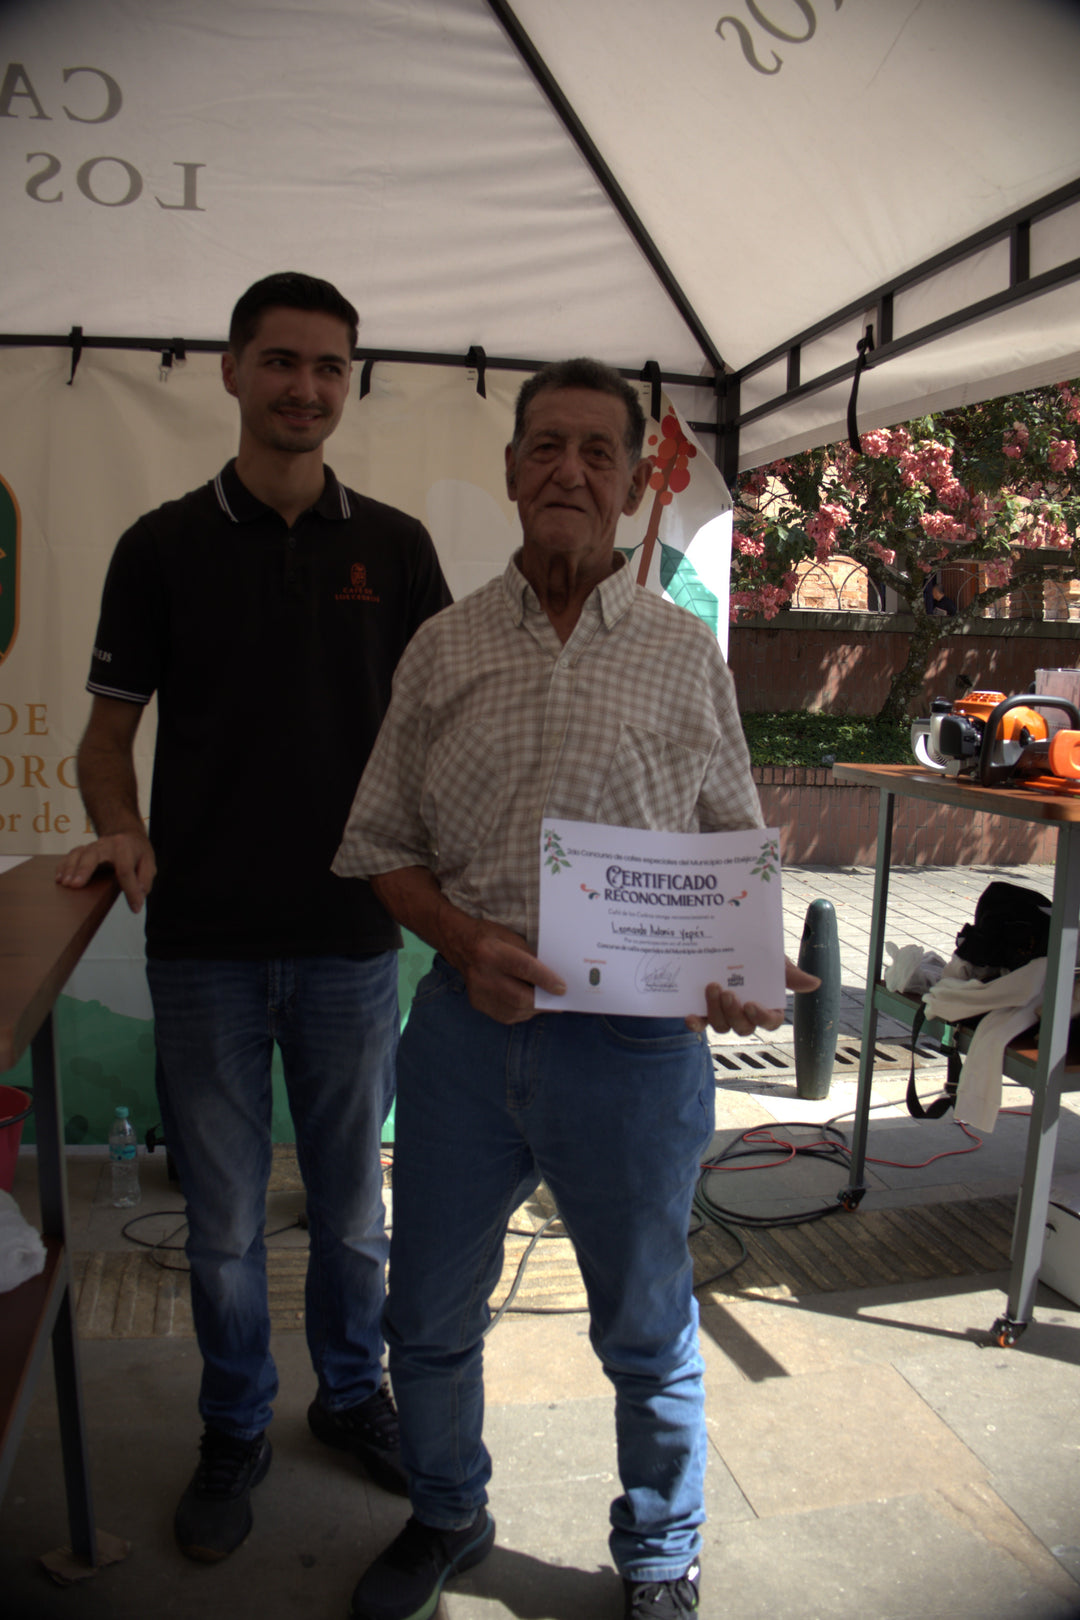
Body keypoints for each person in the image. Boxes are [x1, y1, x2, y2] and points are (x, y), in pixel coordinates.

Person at [333, 358, 818, 1620]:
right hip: (459, 1046)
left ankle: (659, 1553)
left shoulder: (680, 654)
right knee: (425, 1318)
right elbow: (379, 840)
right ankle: (445, 1510)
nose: (570, 471)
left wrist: (742, 966)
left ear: (624, 480)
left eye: (598, 453)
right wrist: (458, 933)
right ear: (510, 473)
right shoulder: (442, 647)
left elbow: (730, 852)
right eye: (546, 447)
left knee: (648, 1333)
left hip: (638, 1059)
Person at [56, 271, 451, 1564]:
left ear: (351, 383)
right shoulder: (158, 547)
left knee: (351, 1214)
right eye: (280, 362)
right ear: (230, 372)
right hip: (205, 948)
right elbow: (107, 739)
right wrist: (121, 828)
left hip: (351, 944)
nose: (305, 388)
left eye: (329, 367)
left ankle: (348, 1400)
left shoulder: (393, 550)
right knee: (222, 1226)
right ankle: (233, 1425)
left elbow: (442, 733)